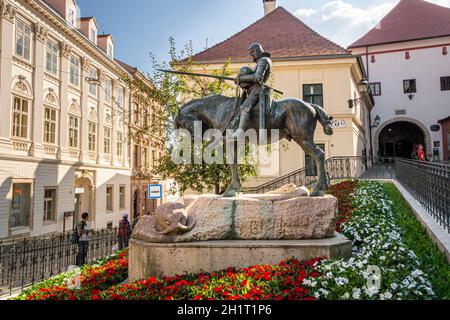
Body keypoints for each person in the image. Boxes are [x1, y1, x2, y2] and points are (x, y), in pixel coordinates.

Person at [230, 43, 272, 139]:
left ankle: (239, 133)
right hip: (254, 89)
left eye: (252, 52)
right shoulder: (259, 62)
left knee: (245, 107)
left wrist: (242, 79)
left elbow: (258, 78)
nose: (251, 54)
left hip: (258, 89)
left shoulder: (264, 60)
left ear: (257, 50)